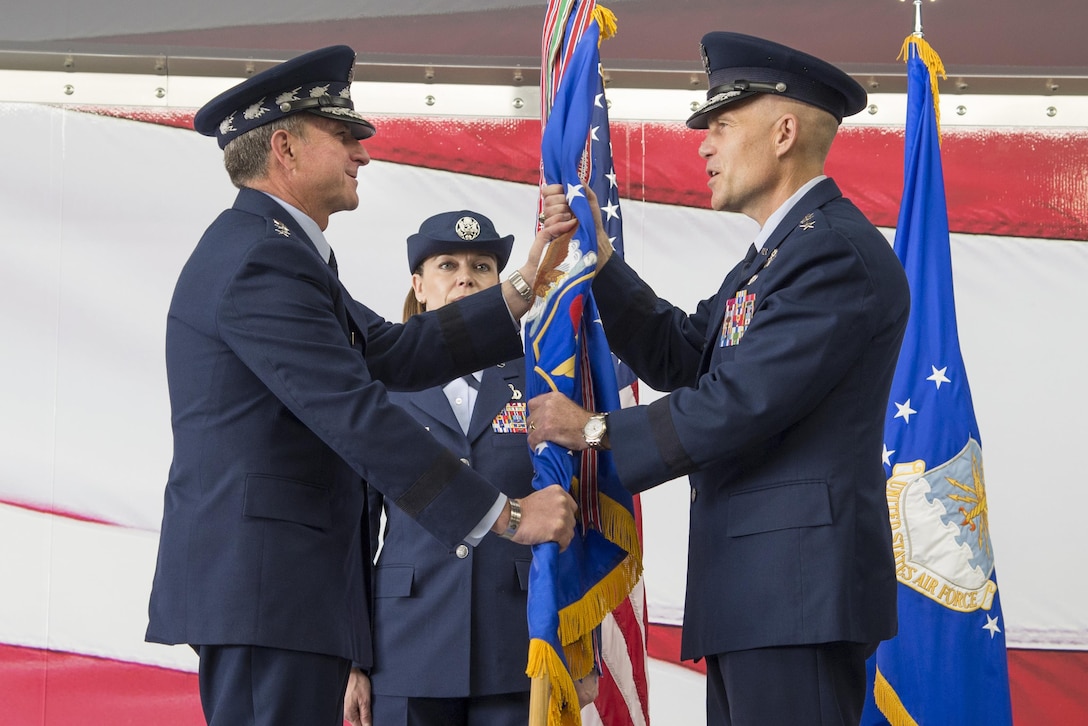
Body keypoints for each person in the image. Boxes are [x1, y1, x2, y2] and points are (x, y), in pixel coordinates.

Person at [144, 45, 578, 726]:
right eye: (345, 137)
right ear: (284, 148)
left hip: (286, 595)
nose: (363, 154)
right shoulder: (264, 262)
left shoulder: (282, 252)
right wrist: (510, 517)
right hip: (270, 593)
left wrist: (522, 285)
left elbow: (395, 350)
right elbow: (359, 417)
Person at [528, 32, 911, 725]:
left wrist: (592, 429)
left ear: (785, 131)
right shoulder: (774, 258)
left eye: (721, 125)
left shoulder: (833, 256)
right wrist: (603, 264)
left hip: (797, 599)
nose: (702, 144)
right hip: (758, 596)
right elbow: (682, 353)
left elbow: (741, 401)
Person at [346, 210, 535, 726]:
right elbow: (355, 529)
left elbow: (573, 514)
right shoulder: (380, 385)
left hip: (515, 643)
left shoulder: (541, 378)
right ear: (419, 285)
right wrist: (353, 660)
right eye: (447, 265)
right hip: (406, 644)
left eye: (482, 266)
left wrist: (578, 645)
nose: (465, 277)